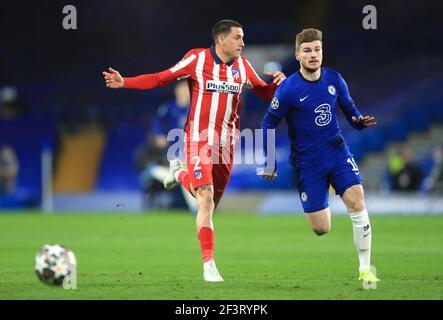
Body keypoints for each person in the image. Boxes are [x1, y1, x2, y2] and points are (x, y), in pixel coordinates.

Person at [103, 19, 286, 282]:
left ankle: (178, 174)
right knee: (205, 197)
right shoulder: (196, 59)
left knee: (210, 206)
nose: (243, 43)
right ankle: (209, 264)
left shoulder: (243, 67)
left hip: (226, 146)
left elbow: (268, 94)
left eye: (243, 38)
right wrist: (125, 82)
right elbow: (159, 78)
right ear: (221, 39)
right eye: (238, 38)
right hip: (197, 140)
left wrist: (281, 85)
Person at [259, 28, 379, 284]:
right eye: (307, 51)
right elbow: (268, 123)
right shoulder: (288, 88)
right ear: (298, 55)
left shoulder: (335, 79)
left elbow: (351, 112)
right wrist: (269, 162)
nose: (313, 55)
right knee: (321, 228)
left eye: (317, 49)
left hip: (337, 152)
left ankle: (365, 269)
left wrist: (359, 121)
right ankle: (322, 198)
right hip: (307, 163)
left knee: (357, 202)